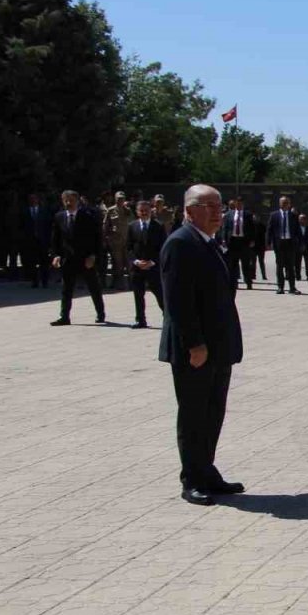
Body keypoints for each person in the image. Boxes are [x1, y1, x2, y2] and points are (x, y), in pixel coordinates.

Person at [158, 184, 244, 507]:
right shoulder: (180, 244)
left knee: (213, 412)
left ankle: (207, 471)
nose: (217, 212)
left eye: (219, 205)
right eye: (208, 206)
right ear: (189, 210)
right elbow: (177, 302)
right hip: (195, 350)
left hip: (218, 346)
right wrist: (195, 343)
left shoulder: (209, 243)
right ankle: (191, 479)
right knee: (194, 414)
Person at [49, 190, 106, 326]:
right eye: (66, 200)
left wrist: (93, 256)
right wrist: (56, 255)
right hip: (68, 259)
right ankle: (64, 317)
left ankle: (100, 313)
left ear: (77, 201)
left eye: (71, 200)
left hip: (85, 259)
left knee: (94, 287)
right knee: (66, 289)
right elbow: (55, 239)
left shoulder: (87, 216)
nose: (68, 203)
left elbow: (96, 238)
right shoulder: (59, 217)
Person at [126, 199, 168, 329]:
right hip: (137, 267)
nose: (144, 213)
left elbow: (163, 247)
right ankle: (140, 320)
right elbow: (128, 247)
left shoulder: (158, 226)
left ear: (151, 211)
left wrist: (152, 261)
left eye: (146, 210)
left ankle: (168, 318)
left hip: (153, 266)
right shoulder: (132, 226)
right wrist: (136, 261)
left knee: (160, 294)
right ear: (137, 212)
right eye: (141, 211)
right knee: (138, 295)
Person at [266, 196, 301, 294]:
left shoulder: (293, 216)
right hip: (279, 243)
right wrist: (268, 243)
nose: (284, 204)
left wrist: (300, 243)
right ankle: (280, 287)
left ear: (289, 204)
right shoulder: (274, 215)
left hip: (290, 243)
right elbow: (269, 230)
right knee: (279, 266)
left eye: (286, 202)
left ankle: (292, 287)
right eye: (283, 202)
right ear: (279, 203)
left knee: (290, 266)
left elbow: (298, 230)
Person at [220, 197, 256, 289]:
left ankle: (248, 282)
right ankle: (234, 283)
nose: (239, 205)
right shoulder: (229, 215)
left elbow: (252, 228)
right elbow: (225, 228)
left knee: (246, 263)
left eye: (240, 203)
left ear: (243, 204)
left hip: (244, 241)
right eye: (237, 203)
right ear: (235, 204)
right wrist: (224, 239)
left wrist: (252, 240)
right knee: (233, 264)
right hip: (233, 241)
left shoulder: (248, 215)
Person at [104, 191, 134, 290]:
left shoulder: (128, 210)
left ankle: (132, 284)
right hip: (116, 241)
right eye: (118, 198)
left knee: (129, 264)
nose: (120, 200)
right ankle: (117, 284)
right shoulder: (111, 210)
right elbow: (105, 225)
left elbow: (133, 224)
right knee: (117, 264)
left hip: (127, 241)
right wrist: (106, 238)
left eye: (122, 198)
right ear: (115, 199)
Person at [21, 193, 53, 288]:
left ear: (38, 200)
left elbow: (48, 225)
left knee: (44, 261)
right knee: (32, 262)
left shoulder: (44, 211)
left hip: (43, 240)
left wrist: (49, 240)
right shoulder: (25, 211)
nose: (33, 200)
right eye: (31, 199)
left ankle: (45, 281)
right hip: (30, 241)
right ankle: (34, 281)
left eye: (34, 198)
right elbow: (21, 226)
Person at [297, 213, 308, 281]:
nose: (302, 220)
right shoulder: (296, 228)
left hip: (307, 248)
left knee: (307, 263)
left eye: (304, 219)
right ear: (299, 220)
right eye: (301, 219)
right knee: (298, 262)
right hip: (298, 248)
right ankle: (298, 276)